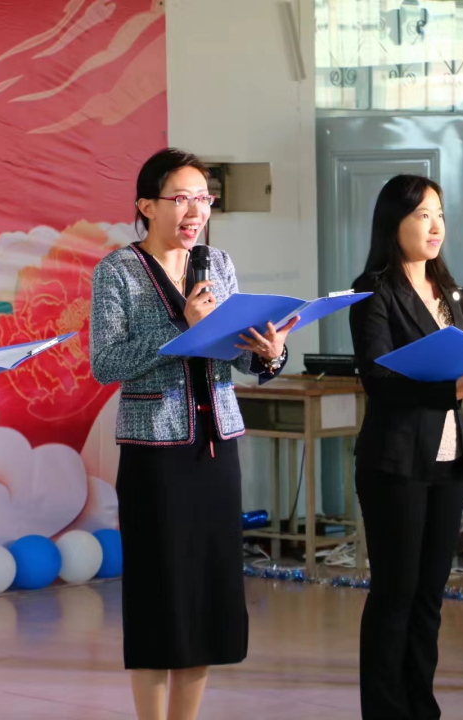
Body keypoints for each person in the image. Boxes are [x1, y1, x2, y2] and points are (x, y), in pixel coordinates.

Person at [89, 148, 293, 720]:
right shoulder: (117, 271)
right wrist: (182, 325)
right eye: (181, 198)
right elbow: (106, 363)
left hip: (217, 446)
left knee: (207, 595)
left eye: (203, 198)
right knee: (161, 595)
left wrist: (270, 353)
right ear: (146, 206)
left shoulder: (217, 264)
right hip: (156, 455)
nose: (195, 211)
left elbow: (240, 355)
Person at [349, 174, 463, 720]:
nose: (435, 227)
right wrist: (449, 389)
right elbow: (379, 379)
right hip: (396, 460)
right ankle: (386, 710)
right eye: (422, 215)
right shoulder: (373, 290)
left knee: (430, 595)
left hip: (449, 458)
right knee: (396, 593)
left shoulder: (447, 288)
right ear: (394, 222)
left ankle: (420, 706)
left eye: (440, 215)